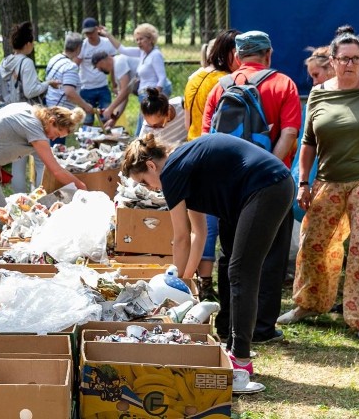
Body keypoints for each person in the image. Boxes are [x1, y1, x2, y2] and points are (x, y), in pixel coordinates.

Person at [120, 133, 295, 374]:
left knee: (242, 271)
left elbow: (180, 237)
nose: (148, 187)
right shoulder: (182, 168)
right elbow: (198, 234)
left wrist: (174, 285)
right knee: (234, 267)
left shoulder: (171, 171)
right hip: (266, 187)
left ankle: (241, 362)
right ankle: (234, 348)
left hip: (267, 185)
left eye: (143, 181)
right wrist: (184, 283)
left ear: (151, 165)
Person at [202, 30, 301, 344]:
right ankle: (261, 329)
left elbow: (207, 140)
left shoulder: (220, 87)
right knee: (270, 256)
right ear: (268, 54)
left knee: (231, 254)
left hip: (228, 185)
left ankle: (228, 324)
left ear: (236, 57)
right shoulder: (284, 84)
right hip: (271, 184)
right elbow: (288, 135)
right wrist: (266, 170)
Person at [278, 31, 359, 341]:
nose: (351, 64)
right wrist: (303, 182)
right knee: (314, 243)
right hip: (327, 179)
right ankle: (309, 303)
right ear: (333, 60)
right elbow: (308, 140)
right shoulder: (319, 93)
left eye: (357, 58)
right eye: (345, 59)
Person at [0, 104, 88, 254]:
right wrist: (82, 187)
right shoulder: (34, 126)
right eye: (57, 134)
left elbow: (46, 166)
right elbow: (56, 170)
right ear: (51, 121)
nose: (54, 138)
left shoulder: (32, 114)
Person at [181, 29, 238, 302]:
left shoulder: (195, 77)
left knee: (200, 223)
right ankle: (206, 286)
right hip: (212, 156)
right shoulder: (226, 81)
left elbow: (186, 120)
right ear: (229, 53)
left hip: (192, 149)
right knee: (211, 225)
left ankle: (201, 281)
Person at [0, 22, 61, 193]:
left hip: (10, 115)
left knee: (18, 160)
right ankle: (39, 199)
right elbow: (31, 90)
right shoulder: (26, 63)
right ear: (28, 44)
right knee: (41, 161)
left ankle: (19, 201)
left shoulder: (4, 63)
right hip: (30, 115)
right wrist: (47, 84)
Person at [103, 22, 171, 135]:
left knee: (144, 127)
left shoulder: (155, 55)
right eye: (137, 39)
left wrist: (155, 96)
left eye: (141, 39)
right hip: (143, 95)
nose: (138, 42)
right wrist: (108, 35)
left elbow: (162, 78)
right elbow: (122, 49)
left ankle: (140, 147)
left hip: (151, 95)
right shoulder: (143, 53)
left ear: (150, 39)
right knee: (144, 125)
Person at [77, 18, 118, 126]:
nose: (89, 35)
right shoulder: (82, 45)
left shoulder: (107, 43)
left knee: (107, 118)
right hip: (86, 88)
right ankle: (87, 141)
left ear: (97, 29)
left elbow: (113, 65)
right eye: (86, 33)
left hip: (103, 87)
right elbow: (75, 65)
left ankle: (108, 140)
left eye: (91, 32)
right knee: (87, 120)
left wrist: (114, 84)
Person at [91, 50, 139, 127]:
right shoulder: (117, 69)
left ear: (104, 60)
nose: (99, 70)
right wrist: (114, 119)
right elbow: (124, 98)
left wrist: (110, 109)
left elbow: (125, 90)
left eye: (99, 66)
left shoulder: (119, 63)